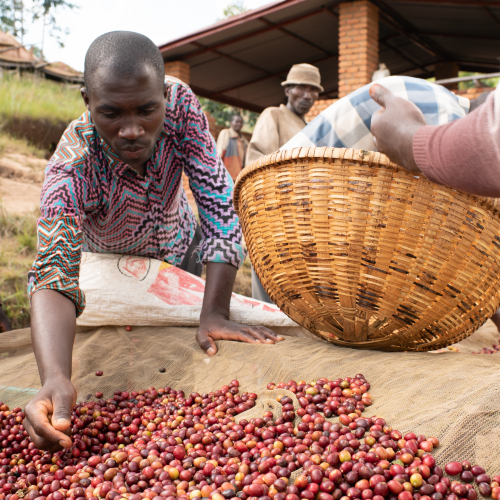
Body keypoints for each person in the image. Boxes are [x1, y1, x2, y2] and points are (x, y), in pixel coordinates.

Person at [23, 31, 283, 453]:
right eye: (111, 113)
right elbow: (54, 269)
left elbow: (218, 201)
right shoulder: (71, 168)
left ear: (164, 94)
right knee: (126, 349)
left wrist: (214, 312)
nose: (131, 130)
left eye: (147, 110)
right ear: (87, 101)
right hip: (109, 265)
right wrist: (55, 376)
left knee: (182, 345)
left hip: (179, 247)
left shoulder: (182, 107)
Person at [246, 63, 322, 302]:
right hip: (275, 215)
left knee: (296, 288)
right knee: (270, 283)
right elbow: (258, 161)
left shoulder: (311, 128)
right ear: (288, 90)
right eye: (301, 87)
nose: (307, 95)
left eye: (313, 89)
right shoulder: (274, 115)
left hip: (303, 219)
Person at [216, 114, 248, 181]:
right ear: (231, 123)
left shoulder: (244, 140)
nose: (239, 124)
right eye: (236, 122)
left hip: (239, 175)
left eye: (241, 122)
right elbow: (219, 153)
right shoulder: (226, 133)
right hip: (226, 174)